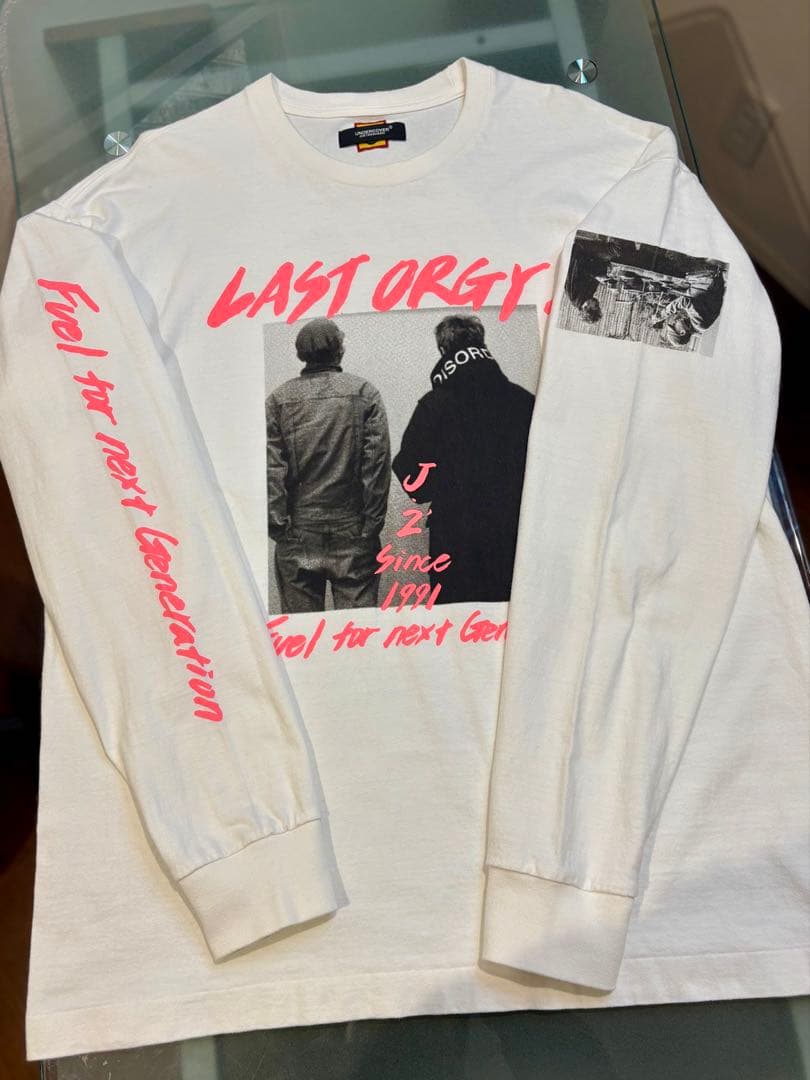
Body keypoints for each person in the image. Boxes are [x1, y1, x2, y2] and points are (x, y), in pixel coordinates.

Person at [391, 314, 535, 604]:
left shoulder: (435, 405)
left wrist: (443, 487)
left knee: (457, 618)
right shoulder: (524, 400)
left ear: (443, 350)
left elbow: (410, 471)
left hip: (455, 533)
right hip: (513, 531)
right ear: (482, 344)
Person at [266, 317, 391, 612]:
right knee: (358, 632)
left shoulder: (279, 400)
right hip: (353, 531)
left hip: (298, 532)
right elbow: (376, 466)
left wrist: (279, 527)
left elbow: (271, 470)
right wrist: (370, 526)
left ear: (301, 353)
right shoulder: (363, 393)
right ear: (339, 351)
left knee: (304, 634)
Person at [564, 235, 622, 322]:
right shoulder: (587, 296)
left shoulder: (573, 294)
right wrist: (606, 277)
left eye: (596, 306)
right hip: (589, 257)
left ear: (586, 307)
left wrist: (597, 276)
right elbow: (595, 276)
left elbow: (576, 265)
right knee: (617, 258)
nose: (598, 303)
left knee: (615, 250)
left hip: (579, 251)